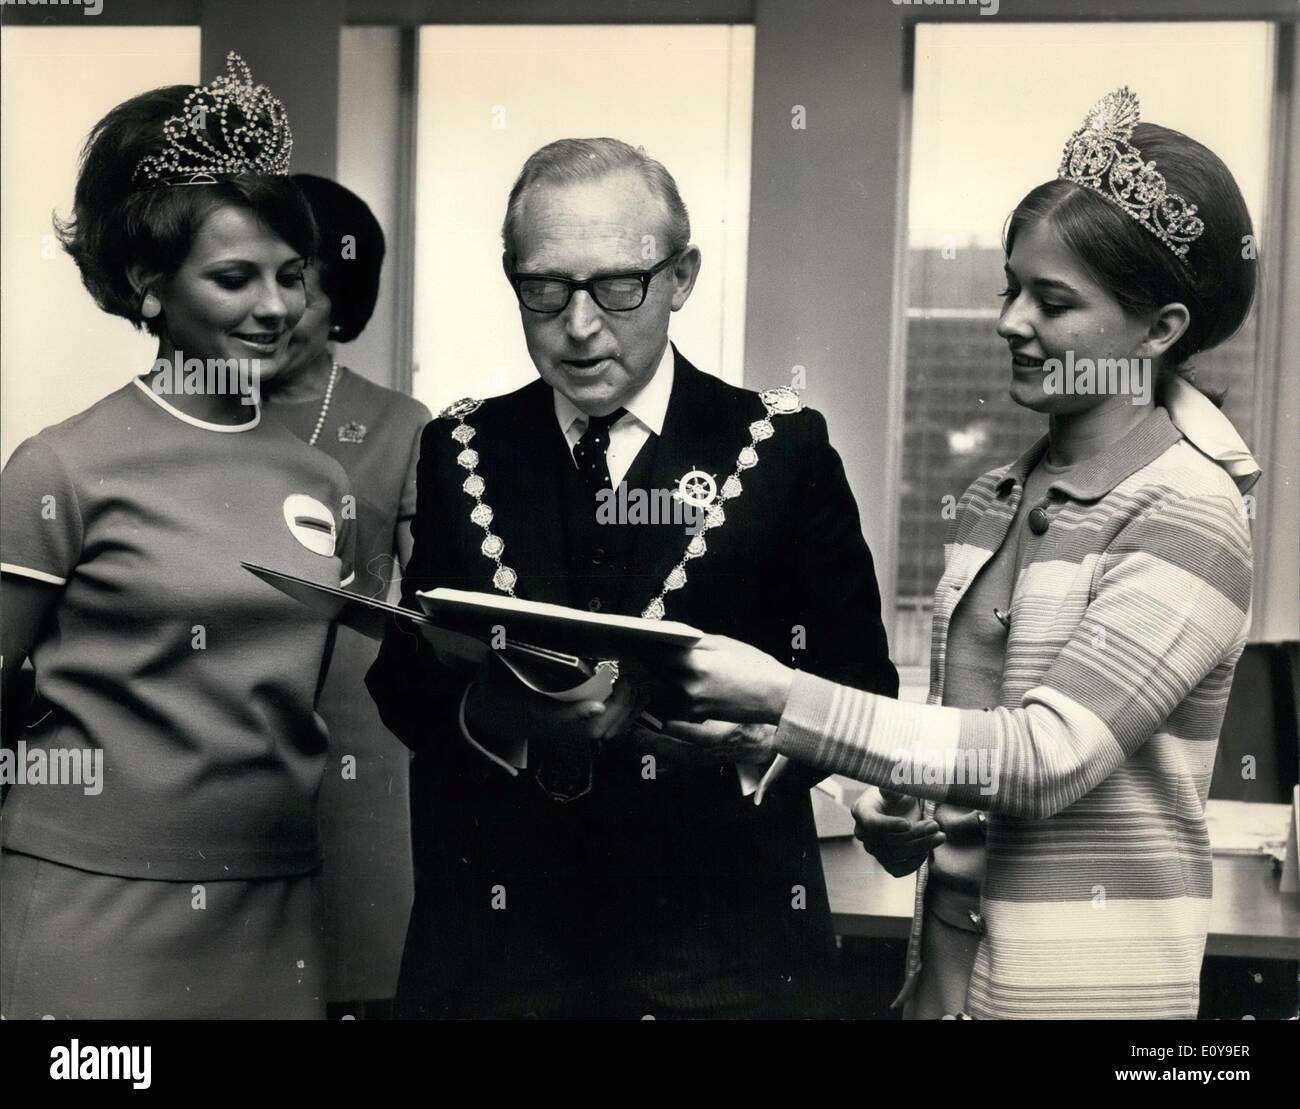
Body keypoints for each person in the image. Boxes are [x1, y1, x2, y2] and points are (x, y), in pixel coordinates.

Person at [646, 89, 1259, 1020]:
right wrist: (905, 810)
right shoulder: (992, 501)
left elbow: (1046, 757)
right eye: (1010, 288)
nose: (1010, 321)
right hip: (941, 991)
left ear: (1161, 330)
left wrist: (783, 696)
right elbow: (975, 771)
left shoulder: (1192, 507)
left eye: (1052, 301)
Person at [365, 137, 897, 1018]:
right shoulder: (460, 446)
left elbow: (860, 690)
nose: (579, 326)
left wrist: (748, 734)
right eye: (545, 288)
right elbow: (407, 678)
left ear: (681, 277)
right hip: (502, 959)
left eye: (619, 286)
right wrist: (499, 712)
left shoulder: (782, 446)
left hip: (727, 951)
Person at [0, 54, 355, 1018]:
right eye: (235, 278)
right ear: (147, 283)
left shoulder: (322, 481)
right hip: (91, 900)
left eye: (292, 275)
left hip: (273, 900)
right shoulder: (60, 468)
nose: (276, 307)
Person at [264, 173, 430, 1016]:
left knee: (359, 985)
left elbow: (438, 614)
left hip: (357, 753)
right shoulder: (178, 415)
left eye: (295, 278)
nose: (269, 303)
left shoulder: (403, 425)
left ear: (340, 295)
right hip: (213, 743)